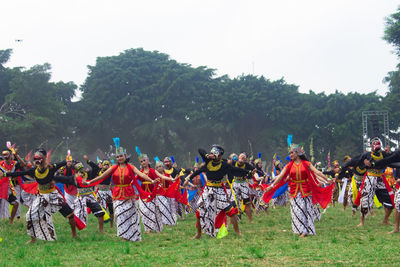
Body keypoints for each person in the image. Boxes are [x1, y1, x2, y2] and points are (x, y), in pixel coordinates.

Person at [0, 148, 77, 243]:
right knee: (30, 215)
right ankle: (33, 239)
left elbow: (63, 163)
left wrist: (70, 162)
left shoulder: (51, 167)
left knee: (70, 214)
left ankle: (74, 234)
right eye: (36, 158)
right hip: (41, 197)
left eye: (40, 157)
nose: (37, 160)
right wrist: (5, 174)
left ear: (45, 158)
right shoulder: (34, 170)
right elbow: (21, 173)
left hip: (53, 195)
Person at [85, 147, 156, 241]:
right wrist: (90, 182)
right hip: (117, 193)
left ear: (125, 156)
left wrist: (151, 180)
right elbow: (102, 176)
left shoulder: (130, 167)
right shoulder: (114, 167)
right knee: (119, 214)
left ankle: (132, 235)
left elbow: (141, 174)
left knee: (130, 214)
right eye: (117, 157)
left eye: (121, 156)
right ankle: (124, 235)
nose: (119, 158)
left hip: (128, 193)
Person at [183, 145, 255, 239]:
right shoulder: (208, 161)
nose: (212, 155)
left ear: (219, 155)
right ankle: (198, 234)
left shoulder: (224, 165)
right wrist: (207, 155)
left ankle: (238, 232)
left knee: (231, 211)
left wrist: (248, 172)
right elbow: (200, 150)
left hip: (219, 190)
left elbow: (236, 170)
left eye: (214, 153)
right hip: (208, 190)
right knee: (199, 212)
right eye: (211, 153)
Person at [265, 144, 332, 237]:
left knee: (306, 210)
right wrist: (272, 186)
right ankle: (302, 230)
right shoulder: (289, 165)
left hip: (306, 190)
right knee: (297, 211)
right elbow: (281, 177)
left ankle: (306, 231)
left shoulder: (306, 164)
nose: (290, 155)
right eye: (289, 153)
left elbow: (317, 172)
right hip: (294, 190)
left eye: (292, 153)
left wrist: (327, 180)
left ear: (297, 153)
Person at [356, 138, 393, 227]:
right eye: (374, 144)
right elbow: (358, 163)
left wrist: (389, 153)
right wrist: (364, 164)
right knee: (365, 199)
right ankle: (362, 222)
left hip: (380, 179)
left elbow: (391, 159)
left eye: (377, 144)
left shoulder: (383, 154)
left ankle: (385, 220)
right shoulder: (367, 154)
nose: (376, 146)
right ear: (371, 146)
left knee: (390, 201)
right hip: (370, 178)